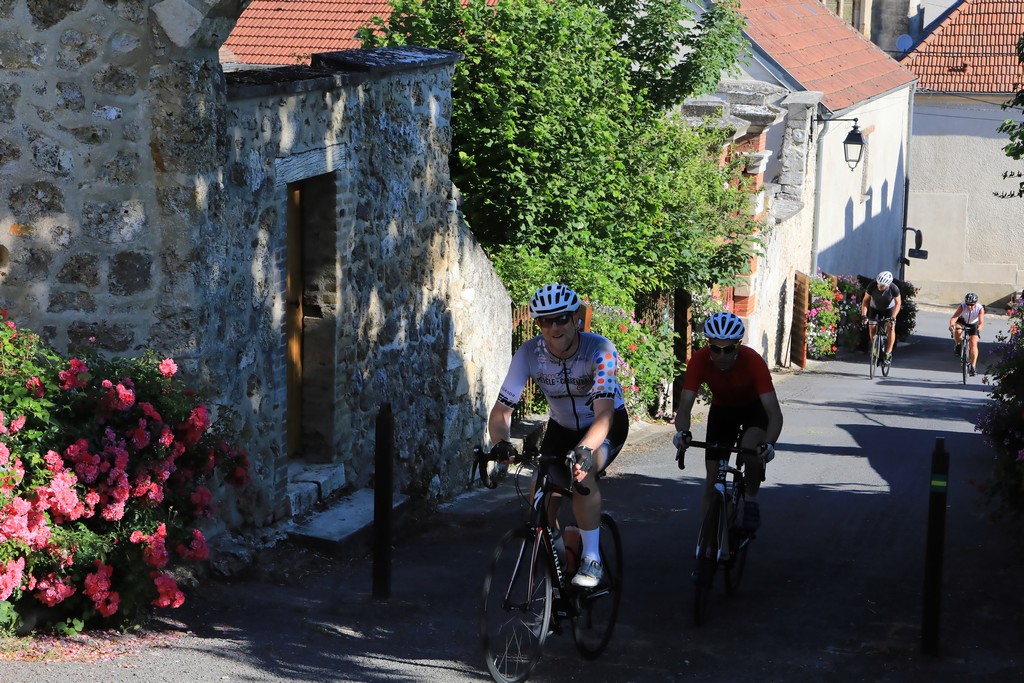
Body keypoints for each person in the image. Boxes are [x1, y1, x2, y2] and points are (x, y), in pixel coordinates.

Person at [488, 283, 629, 589]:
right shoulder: (529, 353)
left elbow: (604, 414)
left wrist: (586, 450)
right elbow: (501, 411)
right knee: (540, 492)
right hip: (561, 427)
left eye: (561, 318)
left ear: (575, 317)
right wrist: (501, 442)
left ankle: (591, 558)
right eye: (545, 321)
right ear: (538, 323)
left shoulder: (601, 349)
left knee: (582, 474)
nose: (554, 327)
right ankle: (556, 554)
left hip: (605, 425)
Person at [672, 311, 783, 535]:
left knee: (751, 448)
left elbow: (775, 415)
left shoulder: (753, 362)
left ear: (738, 346)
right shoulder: (700, 360)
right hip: (723, 410)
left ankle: (751, 500)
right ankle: (708, 541)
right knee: (712, 478)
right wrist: (682, 432)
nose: (721, 355)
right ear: (708, 345)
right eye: (715, 349)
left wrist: (769, 444)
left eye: (728, 349)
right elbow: (684, 408)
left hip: (754, 409)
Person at [860, 270, 901, 364]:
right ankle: (875, 347)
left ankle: (888, 352)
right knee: (871, 326)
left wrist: (893, 317)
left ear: (888, 285)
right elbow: (865, 301)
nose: (879, 286)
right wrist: (863, 315)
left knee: (891, 326)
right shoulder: (872, 285)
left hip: (889, 309)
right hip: (874, 308)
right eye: (878, 284)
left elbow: (898, 303)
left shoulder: (894, 288)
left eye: (882, 286)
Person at [949, 292, 985, 376]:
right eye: (968, 304)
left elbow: (981, 322)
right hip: (962, 321)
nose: (969, 307)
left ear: (975, 303)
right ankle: (958, 345)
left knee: (973, 343)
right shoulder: (962, 306)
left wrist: (979, 328)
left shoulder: (980, 308)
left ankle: (973, 366)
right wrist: (951, 325)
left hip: (973, 324)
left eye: (972, 305)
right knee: (957, 330)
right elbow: (954, 318)